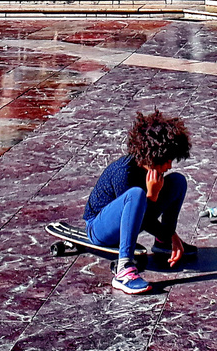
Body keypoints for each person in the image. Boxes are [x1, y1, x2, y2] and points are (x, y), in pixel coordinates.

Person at [83, 110, 195, 294]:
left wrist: (170, 235)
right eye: (167, 160)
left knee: (177, 181)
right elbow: (136, 219)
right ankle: (123, 270)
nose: (169, 166)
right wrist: (151, 195)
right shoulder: (123, 173)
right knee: (136, 195)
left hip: (133, 217)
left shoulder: (152, 170)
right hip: (99, 227)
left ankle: (162, 243)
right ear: (154, 155)